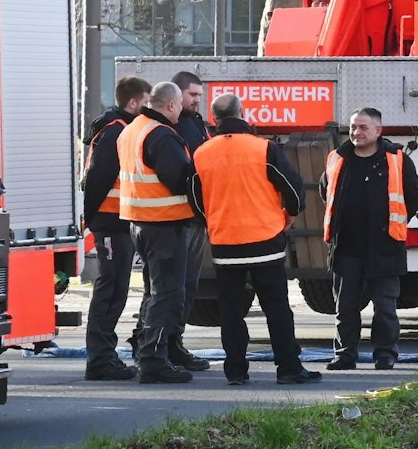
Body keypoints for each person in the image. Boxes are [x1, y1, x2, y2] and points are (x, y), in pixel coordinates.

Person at [189, 94, 321, 386]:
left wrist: (213, 221)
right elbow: (293, 188)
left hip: (225, 244)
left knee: (231, 311)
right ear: (243, 113)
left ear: (214, 119)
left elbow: (196, 199)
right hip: (265, 240)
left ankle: (236, 370)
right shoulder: (263, 148)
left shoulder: (202, 153)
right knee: (277, 308)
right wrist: (289, 216)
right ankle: (288, 367)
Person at [322, 107, 418, 370]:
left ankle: (385, 354)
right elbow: (326, 191)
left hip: (385, 246)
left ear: (378, 131)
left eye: (363, 127)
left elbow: (413, 197)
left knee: (385, 307)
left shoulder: (397, 159)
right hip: (346, 247)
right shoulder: (337, 158)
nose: (356, 132)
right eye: (353, 127)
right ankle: (345, 354)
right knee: (345, 307)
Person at [119, 81, 204, 383]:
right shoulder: (162, 135)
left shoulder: (133, 129)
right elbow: (179, 179)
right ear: (170, 105)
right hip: (164, 223)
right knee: (167, 294)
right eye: (179, 104)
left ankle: (149, 352)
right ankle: (154, 361)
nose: (181, 110)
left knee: (155, 292)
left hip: (140, 222)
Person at [79, 75, 150, 381]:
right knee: (110, 290)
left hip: (116, 220)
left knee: (116, 289)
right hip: (110, 221)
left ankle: (103, 356)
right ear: (133, 102)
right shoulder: (117, 131)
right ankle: (100, 359)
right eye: (146, 102)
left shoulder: (119, 128)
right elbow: (98, 177)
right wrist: (91, 218)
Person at [170, 69, 213, 362]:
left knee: (184, 286)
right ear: (178, 93)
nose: (197, 100)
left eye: (200, 95)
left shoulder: (194, 123)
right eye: (192, 95)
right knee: (176, 287)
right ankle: (167, 345)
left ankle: (171, 343)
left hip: (193, 216)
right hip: (181, 218)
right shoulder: (177, 127)